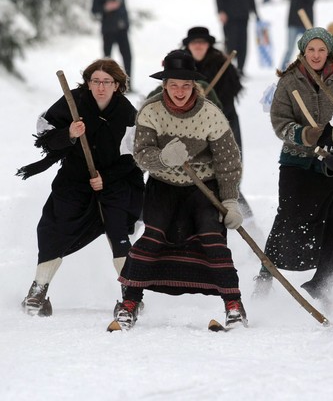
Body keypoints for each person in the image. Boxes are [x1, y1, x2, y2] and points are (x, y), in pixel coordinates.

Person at [111, 50, 246, 330]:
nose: (180, 91)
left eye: (186, 85)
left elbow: (228, 161)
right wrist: (162, 158)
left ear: (194, 86)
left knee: (213, 240)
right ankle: (130, 303)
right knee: (152, 238)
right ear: (164, 85)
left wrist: (230, 200)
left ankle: (233, 305)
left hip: (203, 188)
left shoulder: (211, 114)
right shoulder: (150, 110)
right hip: (163, 186)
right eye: (174, 85)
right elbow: (141, 153)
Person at [18, 59, 144, 316]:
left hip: (114, 181)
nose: (100, 87)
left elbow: (134, 158)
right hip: (75, 179)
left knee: (117, 232)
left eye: (107, 82)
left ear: (117, 85)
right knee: (53, 226)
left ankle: (130, 296)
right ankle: (37, 291)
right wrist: (70, 135)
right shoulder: (72, 102)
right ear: (88, 83)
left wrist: (105, 179)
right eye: (95, 81)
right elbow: (46, 135)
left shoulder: (127, 112)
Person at [254, 27, 333, 300]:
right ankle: (266, 275)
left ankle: (323, 281)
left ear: (329, 52)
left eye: (321, 50)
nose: (316, 55)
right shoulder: (289, 82)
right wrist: (304, 134)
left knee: (332, 221)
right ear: (303, 51)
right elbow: (279, 123)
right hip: (296, 163)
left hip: (331, 164)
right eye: (311, 49)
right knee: (288, 217)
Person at [182, 26, 253, 218]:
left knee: (229, 172)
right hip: (189, 128)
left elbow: (230, 97)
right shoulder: (180, 65)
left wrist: (210, 101)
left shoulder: (222, 64)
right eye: (194, 43)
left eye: (202, 43)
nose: (198, 46)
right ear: (188, 45)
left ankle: (246, 218)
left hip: (225, 123)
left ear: (208, 45)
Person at [92, 0, 132, 79]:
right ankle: (106, 82)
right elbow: (94, 9)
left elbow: (124, 9)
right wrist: (106, 7)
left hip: (122, 29)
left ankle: (128, 83)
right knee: (107, 59)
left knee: (127, 56)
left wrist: (127, 25)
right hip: (108, 30)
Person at [280, 0, 321, 70]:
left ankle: (309, 69)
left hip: (307, 23)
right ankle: (282, 70)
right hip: (293, 21)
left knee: (309, 49)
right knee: (289, 49)